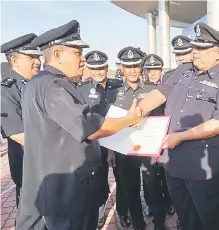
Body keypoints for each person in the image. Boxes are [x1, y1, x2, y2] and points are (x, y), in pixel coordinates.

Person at [19, 20, 140, 230]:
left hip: (57, 188)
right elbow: (89, 128)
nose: (83, 59)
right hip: (69, 194)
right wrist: (129, 119)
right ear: (57, 53)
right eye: (77, 52)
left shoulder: (39, 83)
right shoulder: (53, 85)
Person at [136, 22, 219, 230]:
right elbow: (160, 93)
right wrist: (137, 112)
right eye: (195, 47)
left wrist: (181, 137)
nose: (195, 52)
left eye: (202, 48)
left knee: (211, 218)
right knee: (186, 216)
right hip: (172, 162)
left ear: (218, 53)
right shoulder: (182, 72)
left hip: (201, 167)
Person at [107, 46, 170, 230]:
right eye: (128, 66)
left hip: (149, 150)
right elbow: (111, 123)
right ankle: (138, 224)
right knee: (131, 191)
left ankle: (160, 223)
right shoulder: (114, 93)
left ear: (141, 67)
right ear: (121, 68)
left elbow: (161, 118)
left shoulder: (153, 91)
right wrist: (110, 151)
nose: (133, 70)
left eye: (136, 65)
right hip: (124, 150)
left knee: (153, 189)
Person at [76, 50, 131, 228]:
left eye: (101, 68)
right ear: (89, 69)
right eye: (94, 68)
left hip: (117, 141)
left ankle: (123, 212)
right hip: (95, 144)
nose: (98, 72)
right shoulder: (81, 89)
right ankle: (99, 214)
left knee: (122, 180)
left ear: (107, 68)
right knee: (97, 182)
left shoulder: (119, 86)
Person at [1, 33, 47, 230]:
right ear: (14, 60)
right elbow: (17, 133)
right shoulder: (6, 90)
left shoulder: (39, 84)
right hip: (29, 165)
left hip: (49, 162)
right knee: (32, 219)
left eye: (38, 57)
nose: (37, 62)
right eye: (31, 57)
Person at [142, 54, 176, 219]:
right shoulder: (141, 91)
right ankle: (150, 205)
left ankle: (169, 202)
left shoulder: (169, 89)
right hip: (147, 141)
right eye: (149, 70)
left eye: (156, 69)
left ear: (161, 71)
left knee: (166, 174)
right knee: (149, 178)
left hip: (166, 140)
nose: (153, 73)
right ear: (145, 71)